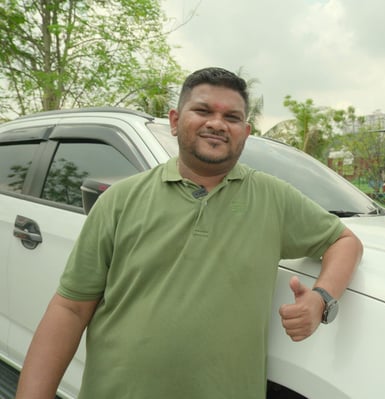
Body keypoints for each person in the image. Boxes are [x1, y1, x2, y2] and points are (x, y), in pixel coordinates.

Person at [15, 67, 363, 399]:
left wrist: (321, 300)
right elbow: (71, 309)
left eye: (232, 117)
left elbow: (344, 241)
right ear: (175, 120)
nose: (217, 124)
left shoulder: (273, 198)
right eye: (203, 110)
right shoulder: (120, 201)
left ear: (246, 130)